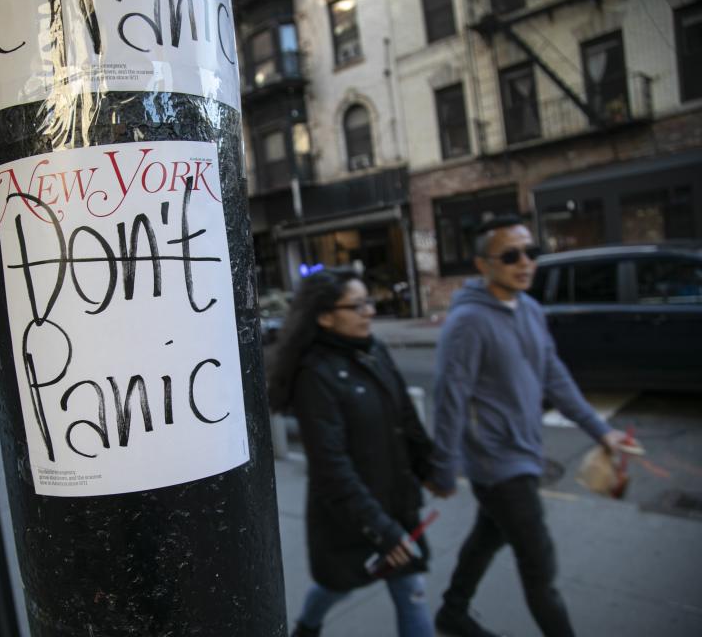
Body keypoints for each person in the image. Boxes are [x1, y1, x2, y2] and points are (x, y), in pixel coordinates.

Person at [427, 216, 633, 637]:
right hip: (497, 464)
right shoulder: (467, 323)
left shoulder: (531, 309)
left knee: (488, 535)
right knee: (540, 566)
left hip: (524, 451)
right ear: (483, 265)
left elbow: (554, 376)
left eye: (531, 252)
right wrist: (443, 466)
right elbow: (449, 400)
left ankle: (452, 611)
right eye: (510, 255)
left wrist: (600, 430)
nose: (525, 263)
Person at [268, 268, 436, 637]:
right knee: (337, 586)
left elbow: (405, 416)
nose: (369, 312)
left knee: (411, 590)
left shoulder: (373, 350)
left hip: (393, 504)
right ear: (326, 317)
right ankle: (308, 626)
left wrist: (430, 465)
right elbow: (331, 468)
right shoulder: (315, 375)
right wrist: (382, 532)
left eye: (368, 302)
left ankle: (306, 628)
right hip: (351, 515)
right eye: (357, 306)